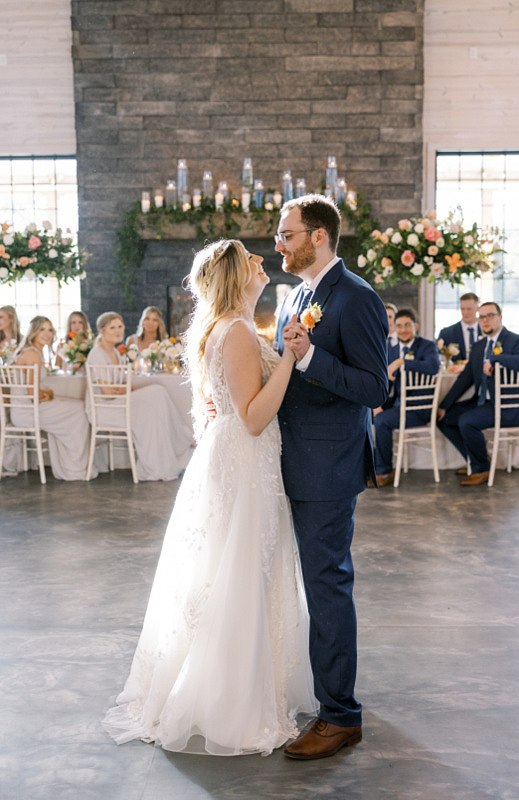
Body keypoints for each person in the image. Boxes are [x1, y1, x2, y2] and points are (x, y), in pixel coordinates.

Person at [103, 241, 317, 755]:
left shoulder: (224, 328)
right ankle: (231, 700)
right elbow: (253, 416)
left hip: (236, 459)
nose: (263, 262)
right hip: (244, 461)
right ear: (234, 276)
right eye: (252, 260)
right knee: (241, 571)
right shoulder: (238, 331)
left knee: (228, 569)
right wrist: (290, 357)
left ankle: (233, 683)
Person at [273, 194, 388, 759]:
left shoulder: (358, 298)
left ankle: (340, 716)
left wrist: (315, 359)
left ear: (318, 236)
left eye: (286, 234)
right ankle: (324, 691)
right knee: (307, 586)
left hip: (327, 466)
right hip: (290, 460)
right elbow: (285, 369)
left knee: (327, 586)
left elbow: (374, 388)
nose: (279, 243)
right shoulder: (296, 294)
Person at [86, 312, 192, 481]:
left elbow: (124, 385)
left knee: (156, 398)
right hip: (105, 408)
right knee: (156, 392)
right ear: (102, 330)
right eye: (112, 327)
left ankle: (164, 456)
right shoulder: (97, 354)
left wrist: (127, 388)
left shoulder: (116, 353)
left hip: (118, 403)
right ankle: (181, 437)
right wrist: (126, 389)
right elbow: (107, 392)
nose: (117, 331)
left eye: (120, 326)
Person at [437, 302, 519, 486]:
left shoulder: (516, 340)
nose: (485, 320)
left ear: (500, 317)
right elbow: (466, 379)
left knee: (468, 421)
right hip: (484, 403)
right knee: (444, 419)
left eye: (490, 315)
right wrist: (443, 406)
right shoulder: (479, 347)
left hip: (508, 406)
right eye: (482, 317)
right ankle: (475, 459)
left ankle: (482, 469)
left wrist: (495, 359)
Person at [11, 316, 96, 480]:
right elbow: (34, 395)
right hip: (27, 412)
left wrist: (48, 394)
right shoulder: (32, 354)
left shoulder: (34, 352)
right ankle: (74, 468)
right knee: (79, 410)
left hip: (27, 409)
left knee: (78, 405)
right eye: (42, 329)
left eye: (50, 330)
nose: (47, 333)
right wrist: (49, 394)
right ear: (33, 332)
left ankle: (70, 465)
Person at [372, 308, 440, 487]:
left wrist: (402, 362)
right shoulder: (390, 349)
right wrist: (376, 404)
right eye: (399, 326)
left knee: (382, 421)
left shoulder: (427, 346)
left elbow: (433, 367)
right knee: (366, 416)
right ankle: (367, 466)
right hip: (395, 404)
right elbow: (379, 378)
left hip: (418, 408)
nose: (403, 330)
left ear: (415, 326)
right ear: (394, 327)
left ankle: (384, 471)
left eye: (407, 325)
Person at [438, 292, 480, 364]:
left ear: (477, 309)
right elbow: (440, 358)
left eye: (469, 309)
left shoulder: (486, 332)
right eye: (462, 309)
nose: (465, 312)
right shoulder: (447, 333)